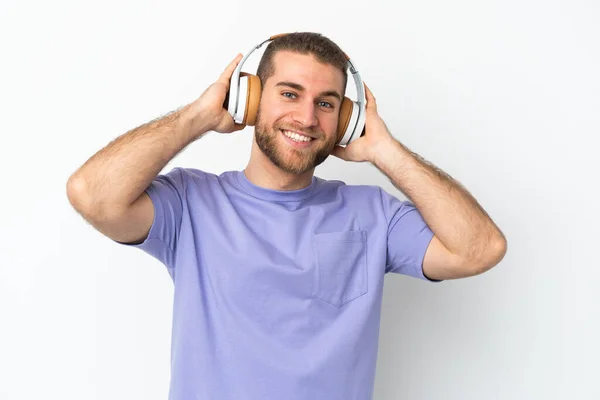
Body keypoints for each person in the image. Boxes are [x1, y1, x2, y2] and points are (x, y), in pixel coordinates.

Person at [67, 32, 506, 400]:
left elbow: (480, 249)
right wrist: (198, 116)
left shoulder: (373, 214)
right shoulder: (190, 204)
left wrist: (384, 151)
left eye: (327, 103)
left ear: (345, 122)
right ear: (250, 98)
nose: (306, 117)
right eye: (289, 94)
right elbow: (92, 195)